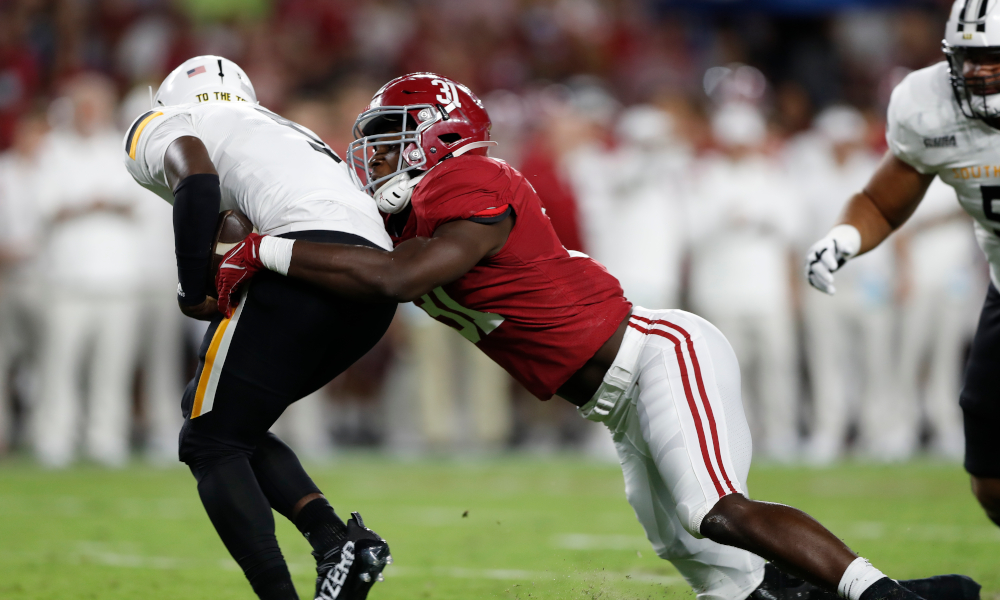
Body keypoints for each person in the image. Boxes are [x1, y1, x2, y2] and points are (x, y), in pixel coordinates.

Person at [218, 72, 979, 600]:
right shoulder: (407, 216)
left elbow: (393, 280)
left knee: (715, 509)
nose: (372, 160)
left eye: (389, 141)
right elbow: (357, 266)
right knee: (722, 577)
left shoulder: (468, 181)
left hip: (656, 357)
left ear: (439, 138)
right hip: (614, 401)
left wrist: (263, 251)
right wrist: (253, 233)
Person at [122, 55, 394, 600]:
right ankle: (338, 543)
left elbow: (196, 179)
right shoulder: (282, 128)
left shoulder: (167, 122)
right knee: (231, 427)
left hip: (304, 263)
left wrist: (193, 286)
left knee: (209, 440)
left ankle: (296, 579)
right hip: (373, 280)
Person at [804, 0, 1000, 528]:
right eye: (967, 58)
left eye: (994, 58)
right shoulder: (927, 104)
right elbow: (883, 201)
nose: (978, 72)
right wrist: (845, 237)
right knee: (991, 480)